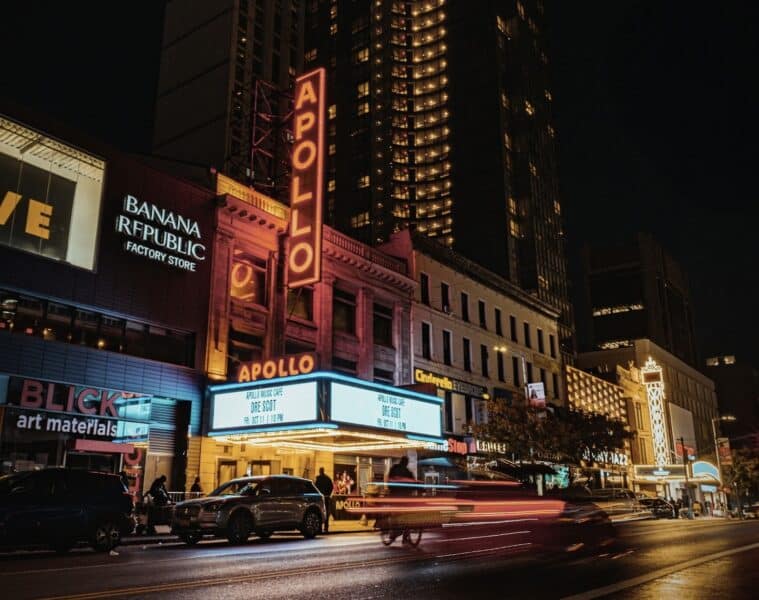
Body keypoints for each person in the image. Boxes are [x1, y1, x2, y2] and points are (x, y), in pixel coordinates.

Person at [315, 467, 334, 533]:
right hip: (326, 497)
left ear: (320, 471)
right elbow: (331, 487)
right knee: (326, 513)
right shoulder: (328, 479)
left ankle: (319, 528)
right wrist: (328, 494)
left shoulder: (318, 479)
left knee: (319, 512)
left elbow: (316, 487)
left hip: (320, 498)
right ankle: (326, 528)